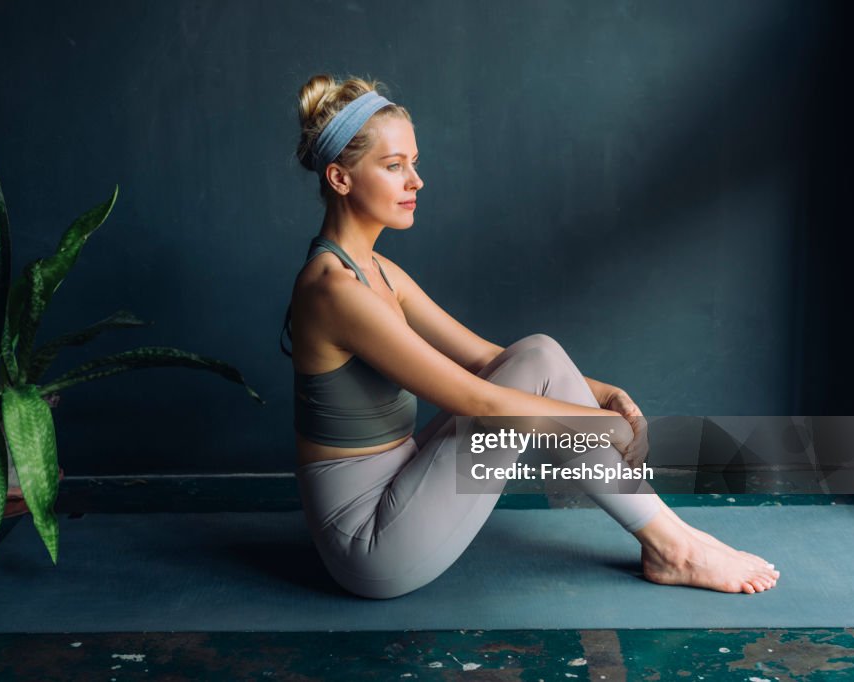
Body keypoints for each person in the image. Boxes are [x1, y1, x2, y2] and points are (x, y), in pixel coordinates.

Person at [279, 74, 780, 600]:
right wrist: (602, 425)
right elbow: (480, 400)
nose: (416, 181)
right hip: (370, 544)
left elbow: (491, 360)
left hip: (401, 482)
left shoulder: (378, 271)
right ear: (339, 178)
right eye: (394, 166)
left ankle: (670, 538)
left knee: (536, 351)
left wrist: (604, 394)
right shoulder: (334, 289)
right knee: (521, 387)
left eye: (415, 162)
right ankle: (673, 545)